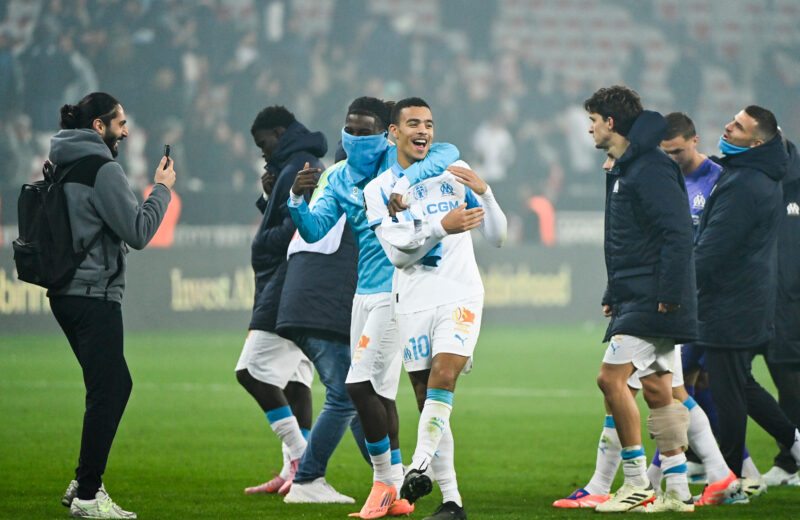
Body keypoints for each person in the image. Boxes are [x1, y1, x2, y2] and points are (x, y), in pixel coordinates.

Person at [288, 96, 459, 519]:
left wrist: (404, 181)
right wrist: (296, 199)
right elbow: (314, 229)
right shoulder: (336, 177)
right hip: (361, 294)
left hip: (397, 288)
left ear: (385, 133)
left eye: (366, 130)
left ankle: (383, 481)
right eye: (351, 130)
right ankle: (400, 493)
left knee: (357, 384)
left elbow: (447, 152)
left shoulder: (395, 162)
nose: (357, 137)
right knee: (381, 393)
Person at [365, 97, 507, 520]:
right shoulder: (378, 191)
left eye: (428, 123)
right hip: (411, 303)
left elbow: (497, 237)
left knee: (445, 375)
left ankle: (416, 466)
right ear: (394, 133)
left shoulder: (452, 172)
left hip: (460, 294)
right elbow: (397, 256)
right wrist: (438, 227)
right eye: (412, 123)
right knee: (427, 396)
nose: (422, 130)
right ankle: (452, 502)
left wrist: (486, 192)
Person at [52, 92, 176, 519]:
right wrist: (161, 190)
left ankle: (85, 480)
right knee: (110, 389)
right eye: (119, 122)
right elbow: (139, 232)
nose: (126, 130)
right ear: (99, 127)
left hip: (64, 291)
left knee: (109, 386)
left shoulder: (61, 162)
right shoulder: (103, 169)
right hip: (94, 293)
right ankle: (88, 493)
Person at [585, 86, 697, 513]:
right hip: (639, 292)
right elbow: (629, 241)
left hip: (653, 297)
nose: (589, 128)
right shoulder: (628, 166)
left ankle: (635, 484)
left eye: (593, 120)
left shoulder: (648, 167)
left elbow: (676, 232)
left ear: (610, 123)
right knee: (656, 388)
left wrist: (669, 293)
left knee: (611, 380)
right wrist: (614, 292)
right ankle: (679, 490)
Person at [694, 106, 800, 485]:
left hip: (733, 303)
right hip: (743, 300)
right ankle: (790, 444)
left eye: (738, 126)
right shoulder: (749, 175)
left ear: (756, 142)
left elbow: (714, 249)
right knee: (738, 384)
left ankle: (730, 477)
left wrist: (679, 287)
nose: (728, 125)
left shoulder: (746, 182)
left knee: (728, 391)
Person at [236, 106, 325, 496]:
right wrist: (270, 197)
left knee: (251, 371)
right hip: (302, 282)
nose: (262, 152)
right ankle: (294, 471)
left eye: (263, 143)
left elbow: (299, 228)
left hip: (289, 282)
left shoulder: (300, 167)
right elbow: (287, 215)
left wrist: (261, 244)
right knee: (294, 378)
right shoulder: (297, 165)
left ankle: (304, 460)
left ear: (279, 131)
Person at [278, 145, 369, 504]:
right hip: (323, 309)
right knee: (347, 395)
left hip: (301, 305)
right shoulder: (357, 191)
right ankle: (307, 479)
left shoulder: (329, 189)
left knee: (359, 393)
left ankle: (388, 476)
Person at [763, 135, 800, 487]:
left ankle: (789, 461)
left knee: (790, 383)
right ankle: (705, 459)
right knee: (719, 374)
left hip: (791, 306)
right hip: (754, 302)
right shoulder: (750, 182)